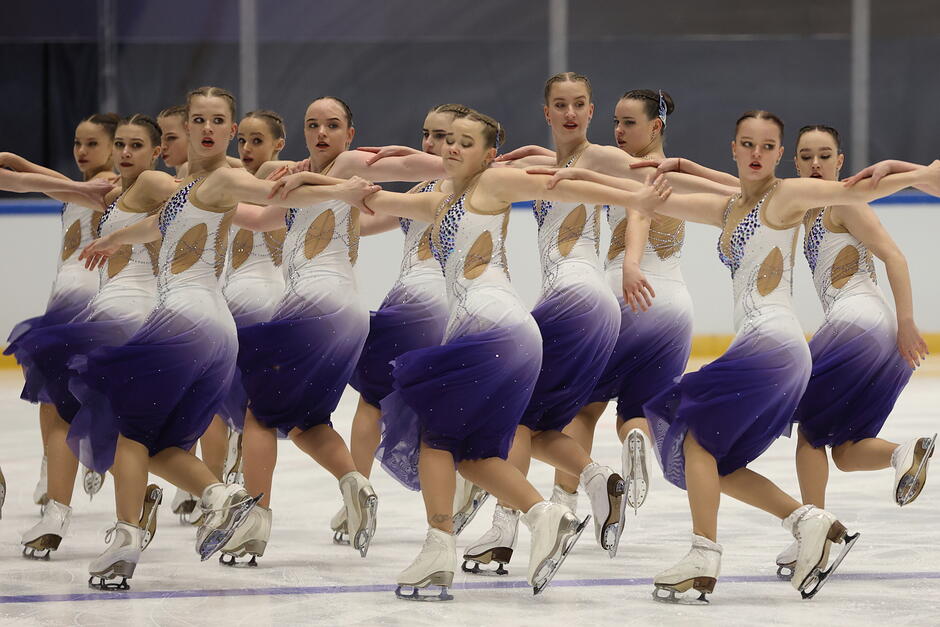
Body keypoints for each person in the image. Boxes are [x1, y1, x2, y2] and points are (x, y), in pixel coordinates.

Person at [533, 110, 939, 601]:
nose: (756, 154)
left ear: (778, 155)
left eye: (767, 147)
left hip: (774, 345)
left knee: (688, 428)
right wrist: (584, 177)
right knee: (708, 454)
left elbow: (852, 193)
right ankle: (809, 523)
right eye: (748, 144)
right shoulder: (731, 210)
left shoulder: (789, 195)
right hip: (765, 346)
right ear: (733, 148)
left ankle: (707, 554)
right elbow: (658, 197)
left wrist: (916, 173)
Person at [297, 108, 670, 598]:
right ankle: (544, 516)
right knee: (472, 454)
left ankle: (439, 548)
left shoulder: (492, 184)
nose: (451, 148)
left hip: (493, 329)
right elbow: (368, 197)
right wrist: (313, 180)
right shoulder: (441, 200)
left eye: (465, 143)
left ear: (489, 154)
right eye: (449, 140)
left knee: (437, 438)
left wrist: (635, 196)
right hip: (507, 334)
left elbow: (563, 185)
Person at [772, 125, 933, 578]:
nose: (816, 164)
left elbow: (894, 257)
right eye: (807, 157)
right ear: (796, 164)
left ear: (841, 162)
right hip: (871, 332)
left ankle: (813, 532)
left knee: (806, 433)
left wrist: (906, 321)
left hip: (859, 323)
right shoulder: (805, 210)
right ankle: (904, 452)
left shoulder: (844, 201)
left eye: (825, 155)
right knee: (843, 450)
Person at [1, 113, 121, 508]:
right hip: (64, 296)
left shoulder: (114, 187)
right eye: (77, 143)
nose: (82, 151)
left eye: (93, 144)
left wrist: (23, 172)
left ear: (114, 146)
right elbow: (63, 187)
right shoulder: (81, 187)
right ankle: (51, 465)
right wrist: (25, 162)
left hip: (93, 303)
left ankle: (91, 455)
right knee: (50, 392)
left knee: (81, 390)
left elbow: (54, 187)